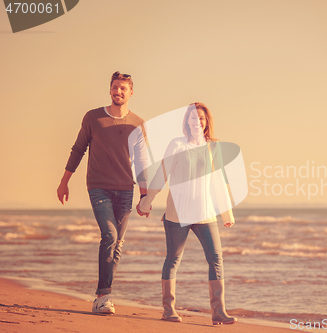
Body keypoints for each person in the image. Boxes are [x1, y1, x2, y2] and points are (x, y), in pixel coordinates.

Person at [56, 71, 148, 314]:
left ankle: (102, 296)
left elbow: (141, 161)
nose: (118, 91)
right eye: (115, 87)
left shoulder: (137, 124)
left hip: (126, 189)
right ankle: (103, 296)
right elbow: (78, 149)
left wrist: (146, 195)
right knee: (109, 235)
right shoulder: (93, 118)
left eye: (123, 88)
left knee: (117, 242)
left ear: (130, 92)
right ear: (110, 90)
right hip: (98, 186)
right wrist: (64, 181)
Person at [137, 102, 237, 325]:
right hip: (177, 214)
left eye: (201, 118)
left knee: (216, 259)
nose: (197, 122)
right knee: (173, 259)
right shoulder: (176, 145)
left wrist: (226, 213)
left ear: (206, 122)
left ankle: (219, 311)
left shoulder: (213, 147)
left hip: (205, 213)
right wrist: (147, 201)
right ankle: (168, 309)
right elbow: (161, 174)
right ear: (186, 121)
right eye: (193, 118)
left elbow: (219, 180)